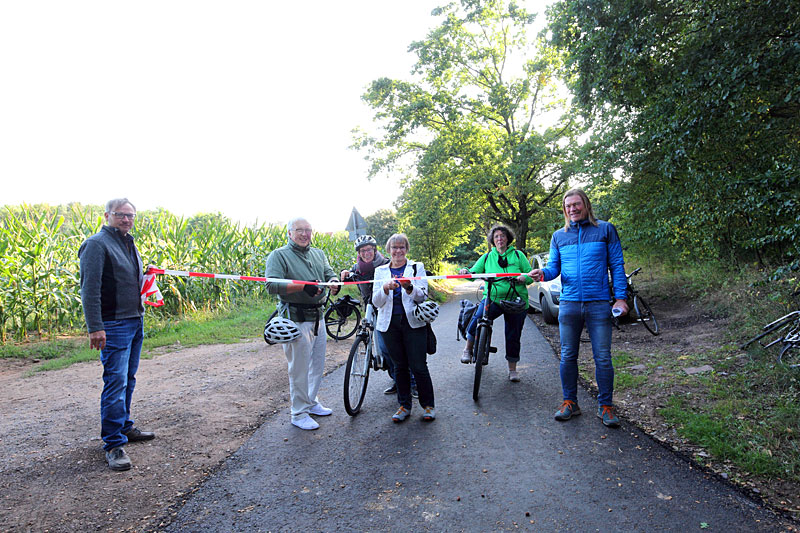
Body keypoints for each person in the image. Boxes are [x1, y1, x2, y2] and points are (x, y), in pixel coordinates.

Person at [529, 188, 629, 428]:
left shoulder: (605, 229)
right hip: (570, 304)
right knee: (567, 356)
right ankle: (570, 403)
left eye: (576, 204)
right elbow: (554, 269)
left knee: (603, 358)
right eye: (568, 206)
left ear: (586, 205)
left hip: (598, 304)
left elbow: (616, 265)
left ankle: (605, 406)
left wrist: (621, 298)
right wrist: (543, 274)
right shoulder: (559, 236)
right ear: (564, 210)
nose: (572, 209)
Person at [79, 198, 155, 471]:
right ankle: (113, 444)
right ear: (107, 215)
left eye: (130, 215)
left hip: (135, 320)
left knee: (128, 379)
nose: (126, 220)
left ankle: (124, 427)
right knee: (115, 382)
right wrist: (95, 326)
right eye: (120, 215)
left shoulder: (128, 241)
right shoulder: (97, 244)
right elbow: (89, 289)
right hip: (113, 325)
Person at [265, 217, 340, 430]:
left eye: (308, 230)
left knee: (317, 365)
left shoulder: (319, 254)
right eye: (300, 230)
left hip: (319, 317)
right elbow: (271, 285)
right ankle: (298, 413)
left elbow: (329, 274)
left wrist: (334, 283)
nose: (305, 234)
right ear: (290, 233)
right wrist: (301, 287)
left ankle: (311, 401)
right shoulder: (279, 255)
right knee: (298, 368)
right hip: (295, 319)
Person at [340, 235, 417, 397]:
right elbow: (348, 273)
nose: (366, 253)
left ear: (375, 250)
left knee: (391, 348)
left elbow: (401, 268)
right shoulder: (358, 268)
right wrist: (344, 272)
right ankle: (397, 379)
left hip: (387, 309)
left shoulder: (384, 264)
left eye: (369, 250)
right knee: (385, 348)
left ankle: (411, 381)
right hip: (370, 307)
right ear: (359, 253)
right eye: (363, 251)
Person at [372, 234, 435, 422]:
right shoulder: (380, 271)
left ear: (407, 249)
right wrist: (384, 288)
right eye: (394, 247)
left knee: (418, 366)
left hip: (413, 323)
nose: (398, 251)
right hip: (389, 324)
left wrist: (409, 288)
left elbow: (422, 296)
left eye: (401, 247)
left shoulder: (417, 267)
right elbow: (376, 302)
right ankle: (404, 406)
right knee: (399, 366)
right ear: (388, 250)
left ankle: (428, 405)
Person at [459, 225, 532, 381]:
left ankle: (512, 370)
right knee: (478, 317)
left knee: (513, 335)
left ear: (508, 239)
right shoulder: (487, 257)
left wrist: (524, 278)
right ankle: (468, 349)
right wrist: (465, 271)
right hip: (493, 298)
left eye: (503, 236)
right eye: (497, 236)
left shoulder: (518, 256)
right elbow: (473, 273)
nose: (500, 239)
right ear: (493, 240)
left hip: (516, 300)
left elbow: (531, 275)